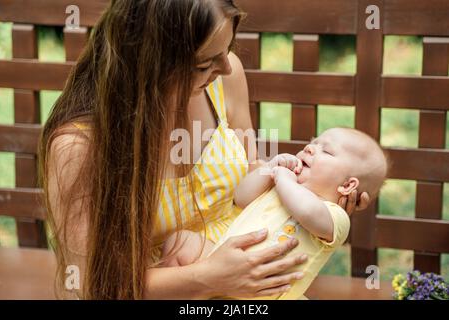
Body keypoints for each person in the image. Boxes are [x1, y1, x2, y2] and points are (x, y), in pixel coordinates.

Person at [38, 0, 368, 299]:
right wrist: (210, 277)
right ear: (148, 62)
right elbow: (88, 284)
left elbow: (249, 170)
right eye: (204, 64)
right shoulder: (78, 146)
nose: (225, 67)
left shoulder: (225, 78)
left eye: (227, 50)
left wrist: (320, 192)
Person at [161, 128, 387, 299]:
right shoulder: (279, 185)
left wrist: (284, 180)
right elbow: (241, 197)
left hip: (267, 293)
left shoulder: (334, 215)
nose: (310, 148)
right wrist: (269, 169)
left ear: (348, 186)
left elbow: (306, 211)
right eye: (312, 143)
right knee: (180, 241)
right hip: (220, 265)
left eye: (325, 150)